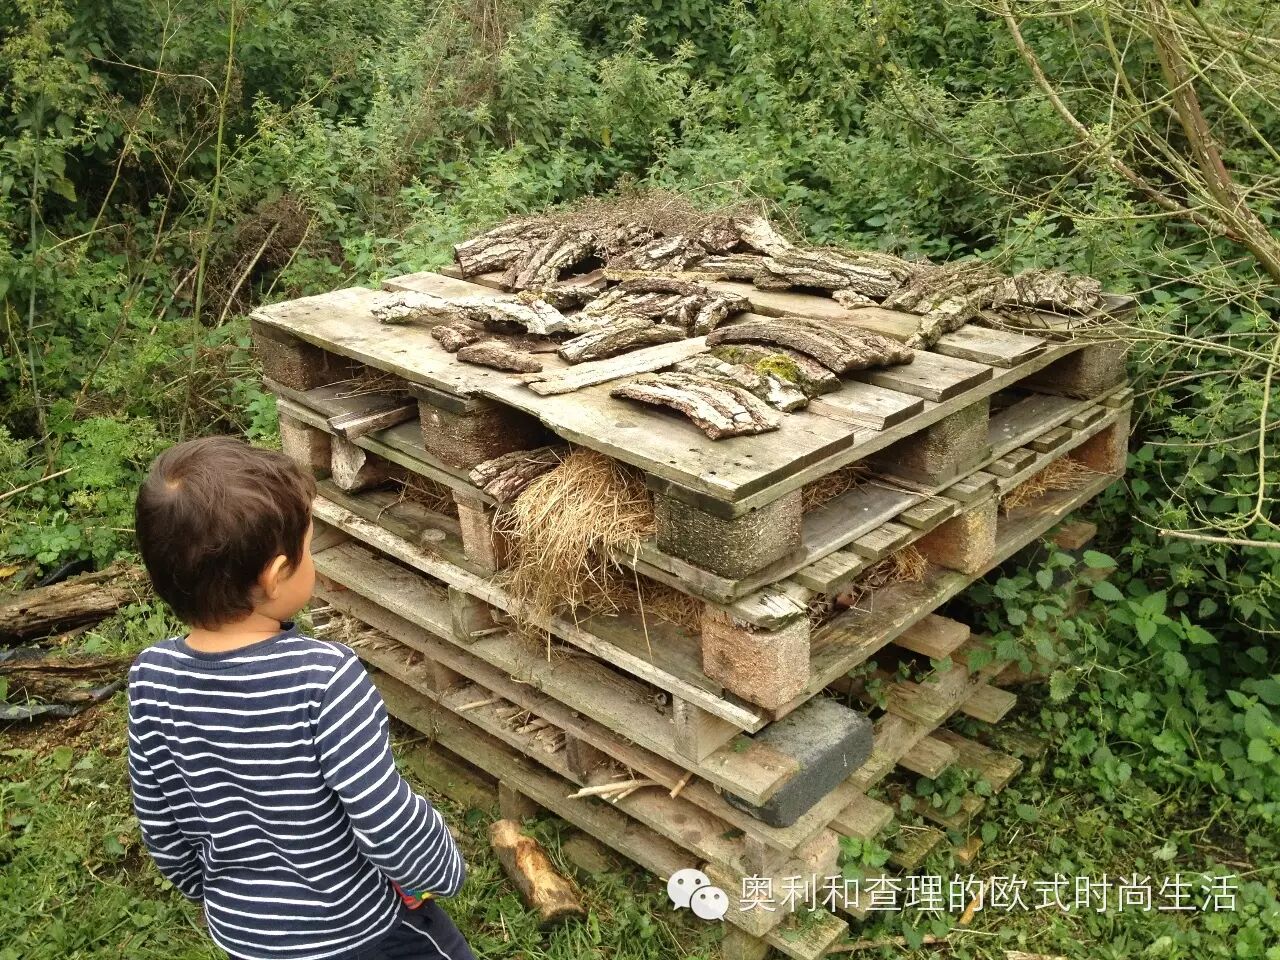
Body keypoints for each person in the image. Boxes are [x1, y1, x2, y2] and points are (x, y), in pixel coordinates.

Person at [127, 436, 474, 960]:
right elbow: (380, 813)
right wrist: (442, 868)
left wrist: (204, 891)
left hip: (247, 936)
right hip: (359, 929)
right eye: (309, 548)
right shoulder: (322, 677)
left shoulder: (151, 677)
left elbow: (158, 815)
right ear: (274, 576)